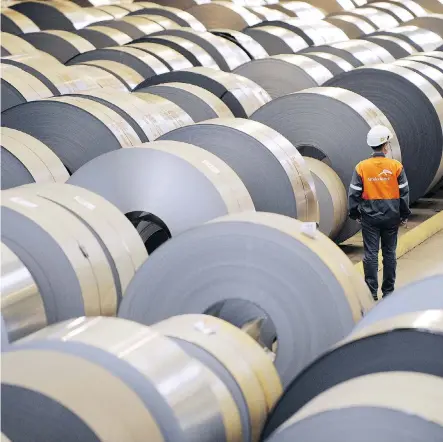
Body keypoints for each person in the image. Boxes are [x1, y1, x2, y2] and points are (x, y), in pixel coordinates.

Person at [348, 125, 411, 300]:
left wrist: (354, 213)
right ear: (385, 146)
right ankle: (388, 291)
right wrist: (404, 214)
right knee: (389, 253)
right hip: (391, 217)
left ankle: (371, 292)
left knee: (371, 254)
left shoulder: (361, 167)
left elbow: (353, 193)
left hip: (369, 218)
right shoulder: (395, 166)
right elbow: (404, 193)